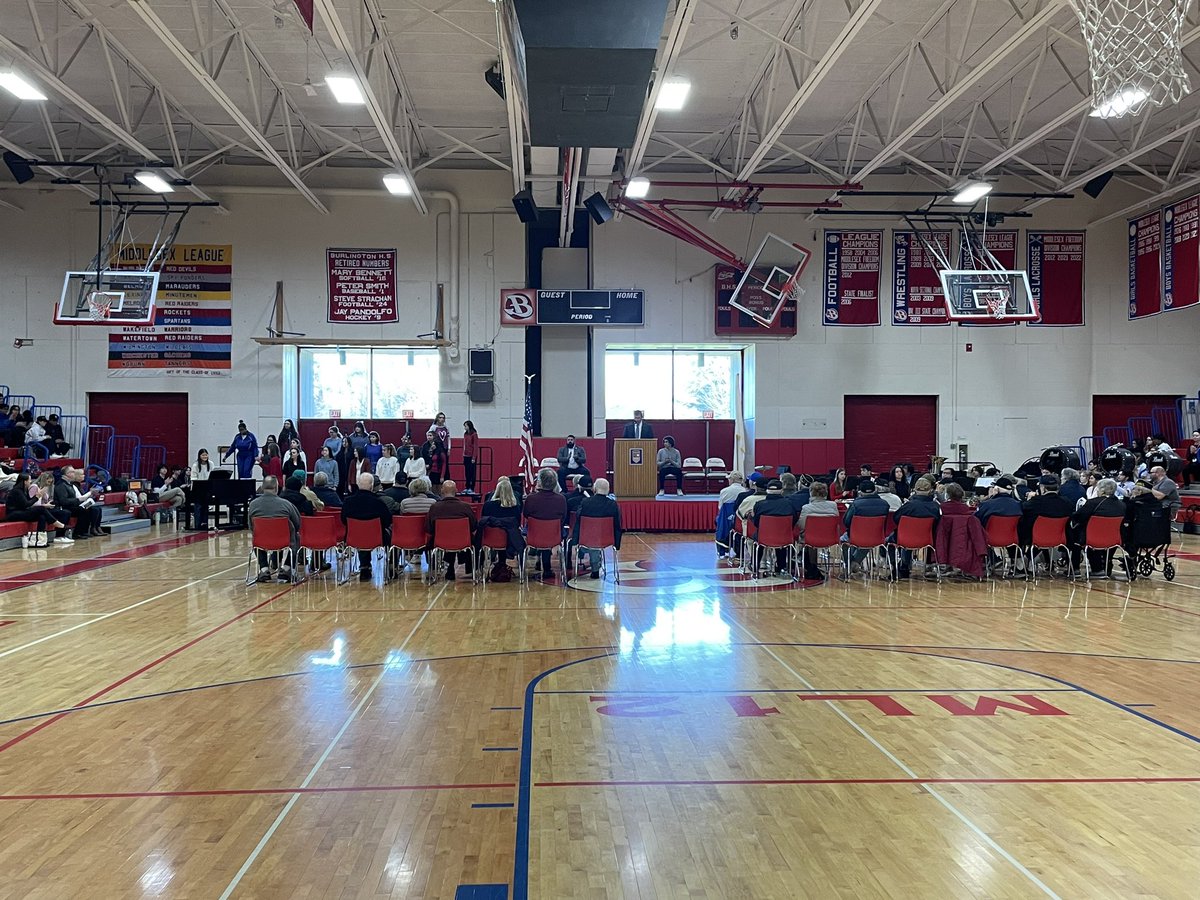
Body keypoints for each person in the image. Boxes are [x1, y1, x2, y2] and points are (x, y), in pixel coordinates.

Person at [248, 476, 301, 583]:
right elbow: (297, 523)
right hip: (284, 540)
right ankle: (286, 568)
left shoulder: (253, 505)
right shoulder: (286, 504)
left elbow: (251, 526)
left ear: (262, 487)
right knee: (297, 536)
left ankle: (264, 569)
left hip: (261, 541)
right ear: (277, 488)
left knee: (256, 537)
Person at [341, 471, 392, 581]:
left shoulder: (348, 502)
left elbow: (343, 520)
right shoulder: (379, 502)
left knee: (361, 534)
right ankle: (391, 567)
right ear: (372, 486)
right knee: (389, 533)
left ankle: (364, 566)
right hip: (377, 538)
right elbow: (388, 521)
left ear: (358, 484)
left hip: (353, 537)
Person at [1069, 477, 1125, 575]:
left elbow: (1078, 517)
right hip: (1114, 539)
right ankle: (1100, 568)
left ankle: (1075, 569)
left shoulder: (1093, 502)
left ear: (1102, 490)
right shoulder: (1121, 505)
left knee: (1075, 534)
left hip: (1092, 538)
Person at [1020, 474, 1075, 571]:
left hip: (1037, 537)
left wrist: (1028, 499)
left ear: (1042, 488)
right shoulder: (1067, 502)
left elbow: (1022, 509)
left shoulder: (1035, 502)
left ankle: (1023, 561)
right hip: (1061, 538)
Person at [425, 480, 477, 580]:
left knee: (433, 541)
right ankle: (471, 569)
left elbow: (429, 528)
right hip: (463, 541)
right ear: (456, 490)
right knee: (472, 540)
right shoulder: (465, 507)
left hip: (440, 541)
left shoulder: (435, 507)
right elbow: (474, 526)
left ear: (441, 491)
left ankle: (434, 569)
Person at [524, 467, 568, 583]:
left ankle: (539, 559)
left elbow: (526, 515)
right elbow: (563, 517)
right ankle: (546, 566)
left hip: (534, 535)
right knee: (547, 530)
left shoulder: (531, 498)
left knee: (538, 529)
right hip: (554, 535)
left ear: (540, 482)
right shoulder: (561, 499)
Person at [572, 477, 622, 579]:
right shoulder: (613, 505)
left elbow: (578, 519)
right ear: (608, 490)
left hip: (587, 538)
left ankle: (592, 566)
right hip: (606, 539)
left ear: (595, 489)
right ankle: (595, 567)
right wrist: (617, 544)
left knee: (590, 538)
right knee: (596, 539)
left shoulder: (585, 502)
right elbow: (617, 525)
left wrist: (575, 540)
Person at [890, 477, 941, 578]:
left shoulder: (908, 505)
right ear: (930, 490)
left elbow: (896, 518)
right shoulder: (935, 506)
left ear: (915, 490)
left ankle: (900, 565)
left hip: (905, 538)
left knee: (890, 541)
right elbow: (937, 522)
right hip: (927, 539)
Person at [6, 472, 69, 546]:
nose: (30, 481)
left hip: (22, 511)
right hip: (13, 514)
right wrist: (37, 497)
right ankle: (56, 523)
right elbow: (26, 504)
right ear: (25, 481)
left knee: (42, 516)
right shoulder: (17, 491)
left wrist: (37, 496)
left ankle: (40, 540)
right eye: (29, 480)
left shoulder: (24, 490)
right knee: (41, 509)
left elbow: (28, 501)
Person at [750, 479, 797, 575]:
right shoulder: (789, 504)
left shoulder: (759, 505)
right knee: (782, 536)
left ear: (767, 491)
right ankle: (781, 566)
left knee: (756, 537)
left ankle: (755, 565)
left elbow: (756, 523)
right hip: (784, 537)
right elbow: (794, 520)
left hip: (764, 537)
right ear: (782, 490)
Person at [480, 476, 523, 578]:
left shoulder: (488, 505)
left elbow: (484, 521)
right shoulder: (515, 507)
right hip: (510, 540)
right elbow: (517, 524)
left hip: (491, 539)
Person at [798, 481, 839, 580]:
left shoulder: (806, 508)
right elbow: (836, 522)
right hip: (830, 538)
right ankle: (811, 567)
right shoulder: (833, 505)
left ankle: (810, 567)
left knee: (806, 538)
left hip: (810, 539)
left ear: (811, 493)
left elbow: (801, 526)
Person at [54, 467, 104, 540]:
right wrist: (77, 500)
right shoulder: (61, 485)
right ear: (67, 474)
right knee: (83, 510)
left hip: (72, 505)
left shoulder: (69, 484)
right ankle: (77, 532)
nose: (74, 473)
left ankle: (84, 531)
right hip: (65, 507)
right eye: (73, 472)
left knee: (88, 509)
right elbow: (63, 501)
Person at [190, 449, 214, 530]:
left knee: (205, 506)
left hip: (207, 489)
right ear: (199, 456)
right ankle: (198, 525)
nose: (205, 456)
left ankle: (205, 524)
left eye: (206, 455)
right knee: (198, 506)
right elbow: (194, 479)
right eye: (203, 455)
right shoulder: (195, 465)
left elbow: (212, 476)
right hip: (197, 490)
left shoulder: (211, 464)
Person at [462, 421, 479, 494]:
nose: (464, 428)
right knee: (467, 472)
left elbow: (475, 446)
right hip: (466, 455)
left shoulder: (474, 434)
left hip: (471, 456)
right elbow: (465, 445)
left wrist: (474, 457)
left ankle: (472, 488)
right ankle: (467, 487)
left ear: (469, 426)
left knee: (472, 472)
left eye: (466, 426)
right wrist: (463, 454)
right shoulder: (465, 434)